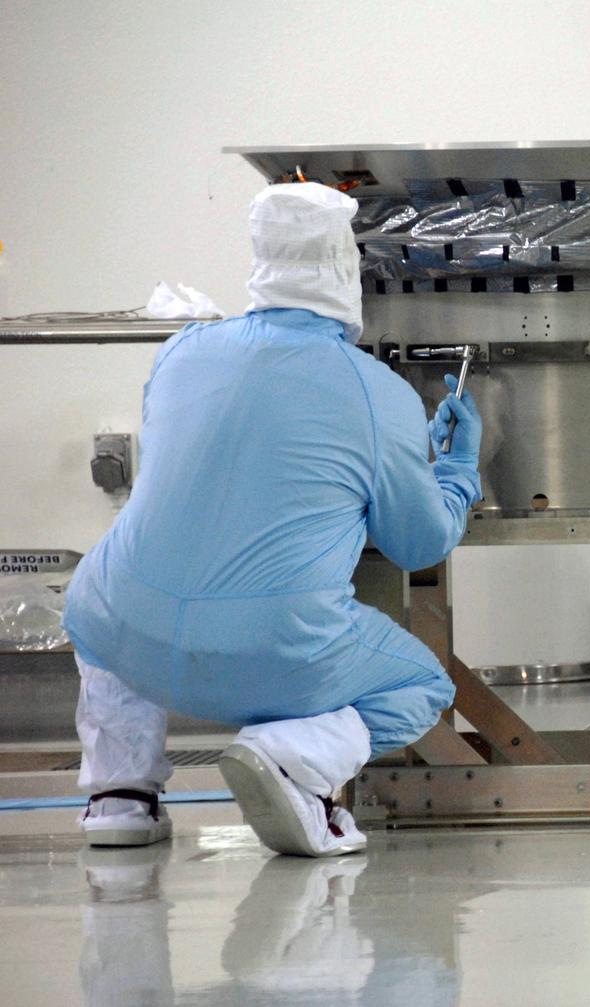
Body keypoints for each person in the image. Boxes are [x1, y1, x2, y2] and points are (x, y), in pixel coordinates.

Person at [63, 182, 482, 854]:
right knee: (422, 681)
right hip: (273, 658)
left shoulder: (181, 354)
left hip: (125, 634)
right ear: (347, 271)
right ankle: (288, 754)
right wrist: (458, 468)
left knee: (99, 603)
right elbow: (418, 542)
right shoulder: (379, 392)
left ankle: (121, 795)